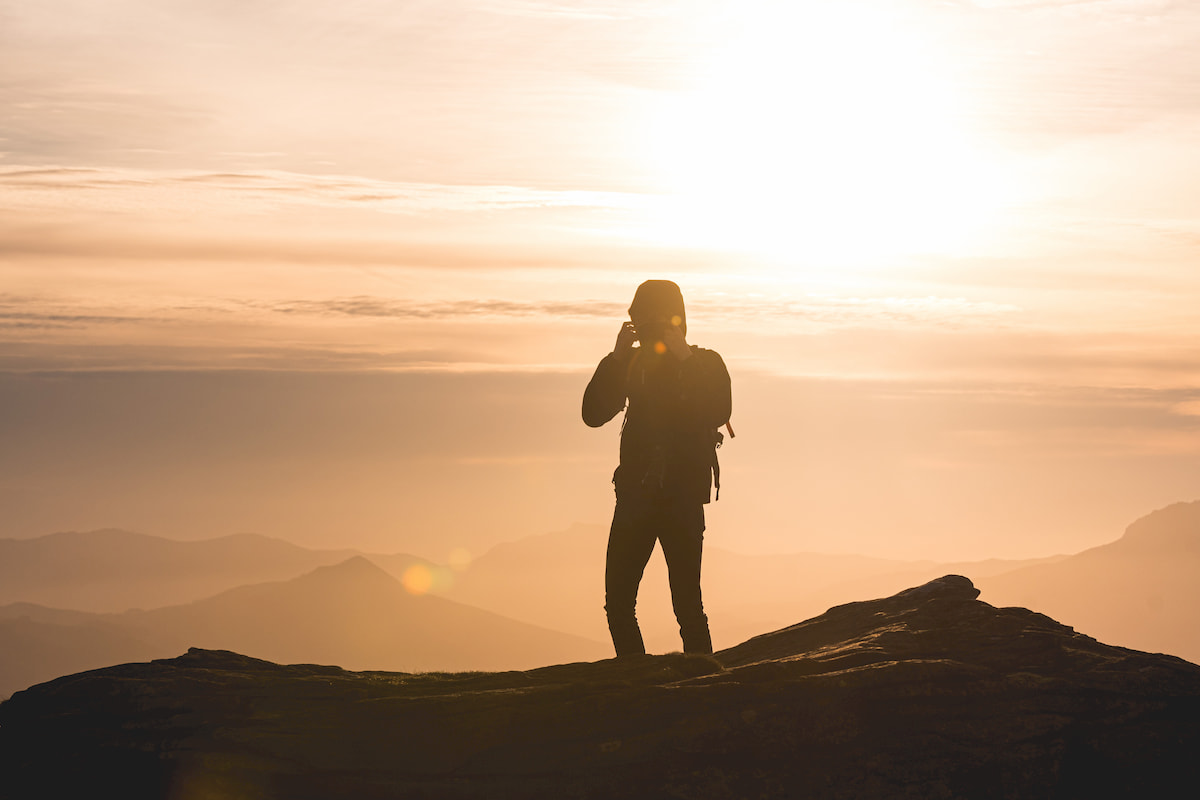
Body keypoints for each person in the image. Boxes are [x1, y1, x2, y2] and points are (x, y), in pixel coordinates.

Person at [582, 280, 732, 657]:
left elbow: (719, 410)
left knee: (687, 608)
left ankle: (698, 687)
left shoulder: (706, 362)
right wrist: (616, 359)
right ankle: (640, 684)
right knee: (619, 604)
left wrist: (686, 359)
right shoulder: (632, 364)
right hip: (637, 496)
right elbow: (593, 414)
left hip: (676, 499)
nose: (647, 327)